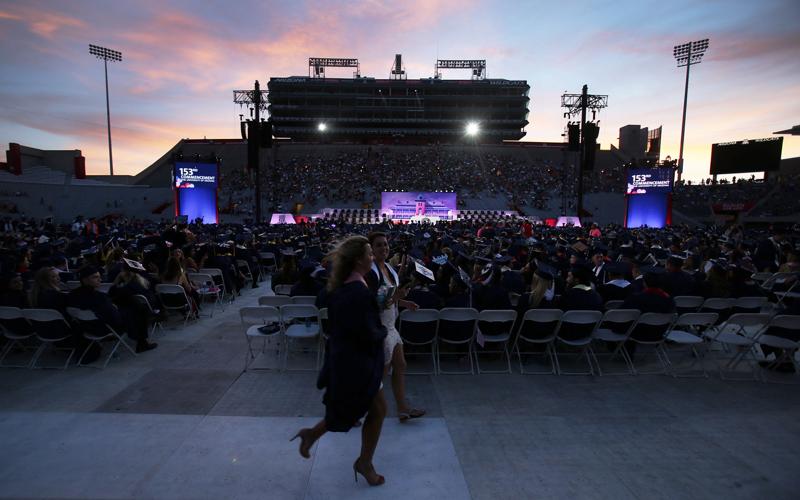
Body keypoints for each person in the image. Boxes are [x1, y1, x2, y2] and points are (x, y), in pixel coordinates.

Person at [291, 236, 388, 486]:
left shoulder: (345, 286)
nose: (372, 257)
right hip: (357, 361)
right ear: (358, 260)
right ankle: (364, 462)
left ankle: (314, 436)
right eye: (368, 253)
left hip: (349, 357)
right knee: (369, 410)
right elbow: (365, 331)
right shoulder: (356, 292)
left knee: (368, 409)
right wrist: (381, 331)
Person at [365, 232, 426, 423]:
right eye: (379, 245)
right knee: (380, 375)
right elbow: (374, 305)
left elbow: (391, 299)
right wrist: (397, 298)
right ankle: (363, 409)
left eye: (385, 244)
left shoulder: (390, 269)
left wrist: (405, 303)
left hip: (391, 326)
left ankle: (403, 408)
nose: (384, 248)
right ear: (371, 249)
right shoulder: (371, 273)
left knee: (400, 365)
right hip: (380, 328)